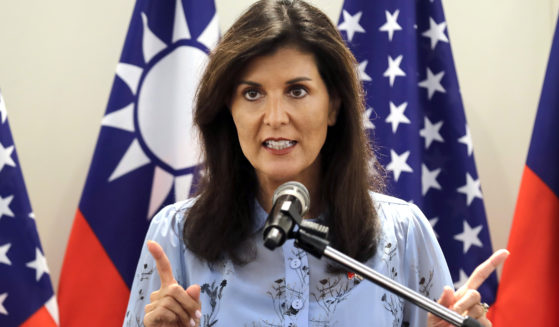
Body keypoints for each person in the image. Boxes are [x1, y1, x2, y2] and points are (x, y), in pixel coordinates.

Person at [123, 1, 508, 326]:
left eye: (297, 90)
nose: (275, 117)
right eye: (253, 93)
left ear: (334, 106)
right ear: (229, 109)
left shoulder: (403, 233)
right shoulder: (176, 233)